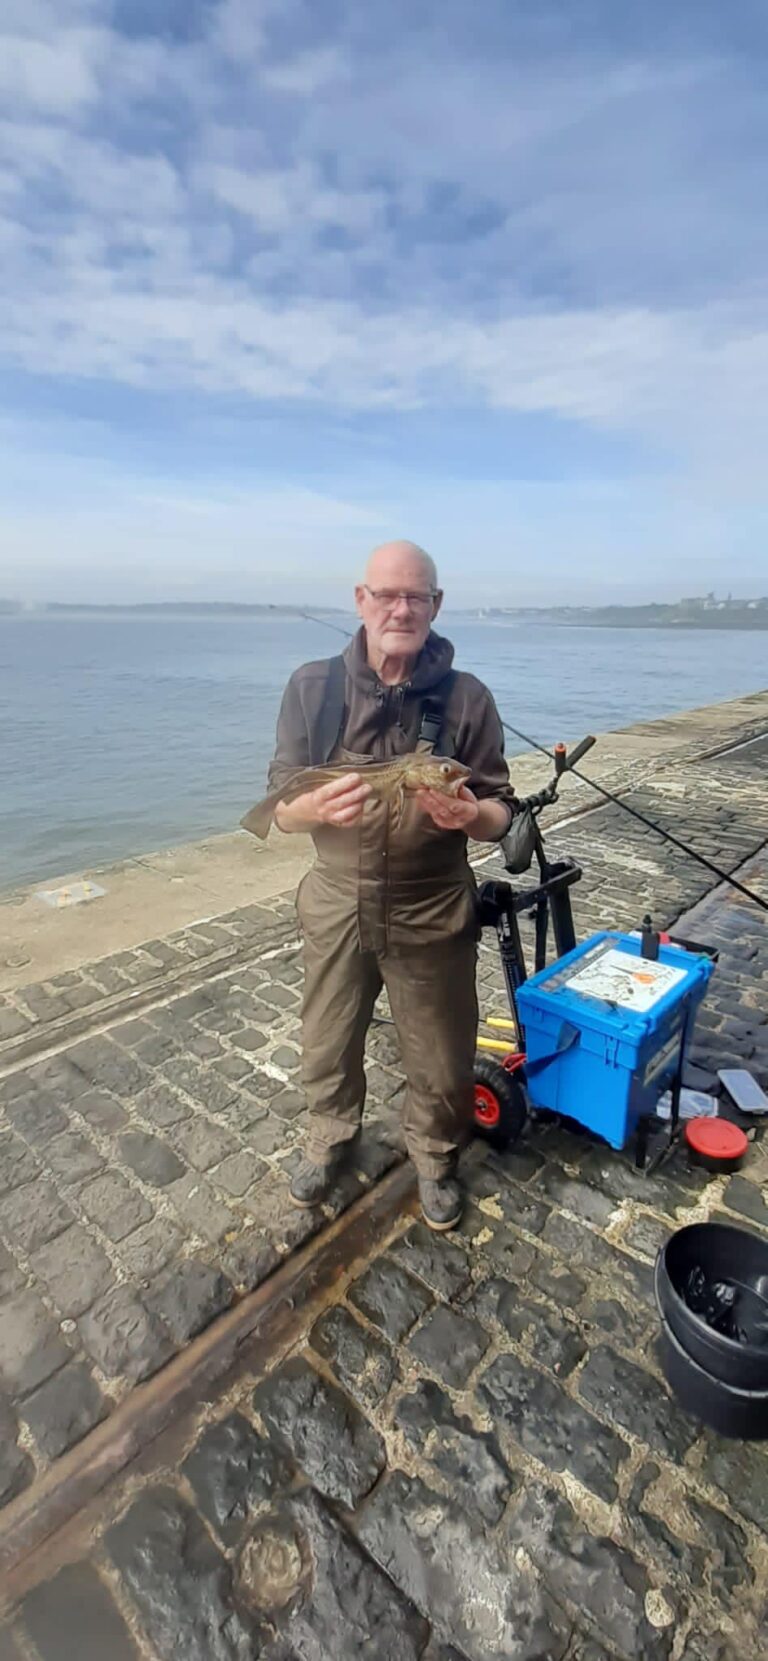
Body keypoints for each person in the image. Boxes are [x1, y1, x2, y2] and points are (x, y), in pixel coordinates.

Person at [266, 540, 517, 1230]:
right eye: (387, 594)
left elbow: (502, 812)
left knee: (441, 1049)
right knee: (327, 1035)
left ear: (436, 605)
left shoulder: (468, 700)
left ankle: (435, 1156)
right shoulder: (312, 688)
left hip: (432, 903)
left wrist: (471, 815)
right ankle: (328, 1136)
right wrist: (309, 809)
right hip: (336, 898)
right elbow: (280, 806)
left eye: (417, 596)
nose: (401, 608)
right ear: (361, 600)